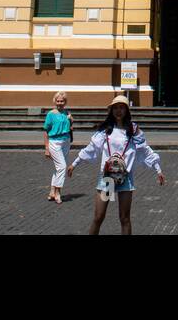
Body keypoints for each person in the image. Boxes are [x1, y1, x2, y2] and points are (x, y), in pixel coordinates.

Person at [67, 94, 166, 235]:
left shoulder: (133, 129)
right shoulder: (106, 129)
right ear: (111, 110)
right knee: (98, 217)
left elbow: (145, 149)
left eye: (122, 108)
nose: (118, 111)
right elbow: (91, 148)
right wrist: (75, 163)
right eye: (115, 108)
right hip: (107, 178)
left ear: (126, 111)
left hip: (126, 177)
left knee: (124, 218)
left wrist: (158, 169)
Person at [44, 91, 73, 202]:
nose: (60, 103)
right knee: (62, 167)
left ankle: (52, 191)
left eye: (62, 101)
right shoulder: (51, 114)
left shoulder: (67, 113)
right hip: (54, 142)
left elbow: (70, 127)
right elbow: (46, 131)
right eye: (58, 101)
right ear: (55, 101)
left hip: (66, 141)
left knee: (58, 168)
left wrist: (71, 120)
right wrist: (46, 148)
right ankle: (57, 192)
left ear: (65, 102)